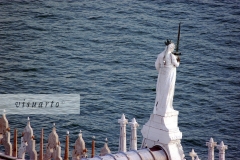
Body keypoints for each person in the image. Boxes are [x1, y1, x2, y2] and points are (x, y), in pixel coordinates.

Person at [153, 40, 180, 115]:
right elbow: (176, 65)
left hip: (162, 76)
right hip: (169, 76)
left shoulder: (160, 55)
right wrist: (178, 59)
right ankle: (167, 107)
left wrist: (162, 71)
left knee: (161, 91)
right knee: (168, 91)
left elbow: (156, 65)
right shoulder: (172, 55)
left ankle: (160, 107)